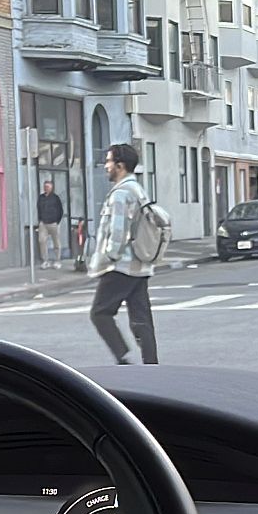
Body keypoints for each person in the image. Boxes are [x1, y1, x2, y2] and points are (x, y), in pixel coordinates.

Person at [88, 144, 158, 365]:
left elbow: (118, 231)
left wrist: (109, 257)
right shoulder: (138, 189)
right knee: (141, 318)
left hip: (122, 266)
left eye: (109, 161)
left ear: (120, 165)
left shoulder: (121, 193)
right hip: (140, 264)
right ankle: (151, 365)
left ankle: (124, 358)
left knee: (100, 313)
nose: (106, 166)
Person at [37, 180, 65, 270]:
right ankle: (45, 261)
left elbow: (60, 210)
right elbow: (38, 209)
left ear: (51, 187)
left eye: (48, 187)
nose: (46, 188)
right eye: (45, 186)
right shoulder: (41, 197)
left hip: (53, 223)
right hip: (43, 223)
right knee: (42, 241)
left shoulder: (55, 198)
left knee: (56, 242)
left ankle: (57, 260)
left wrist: (57, 221)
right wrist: (40, 220)